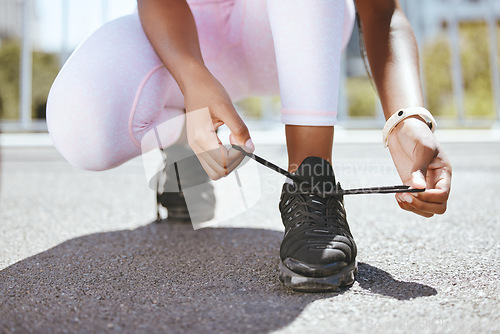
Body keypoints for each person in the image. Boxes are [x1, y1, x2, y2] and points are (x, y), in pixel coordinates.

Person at [47, 0, 452, 292]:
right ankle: (190, 143)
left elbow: (381, 9)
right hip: (190, 34)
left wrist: (407, 117)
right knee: (80, 125)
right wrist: (191, 78)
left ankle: (310, 181)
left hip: (301, 29)